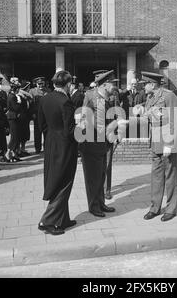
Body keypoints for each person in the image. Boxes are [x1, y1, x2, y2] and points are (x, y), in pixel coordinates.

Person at [37, 70, 78, 236]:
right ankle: (47, 221)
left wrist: (51, 138)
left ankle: (63, 219)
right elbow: (70, 130)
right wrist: (81, 127)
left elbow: (41, 124)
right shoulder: (65, 101)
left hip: (51, 144)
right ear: (68, 84)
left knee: (57, 179)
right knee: (64, 183)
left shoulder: (44, 98)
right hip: (65, 147)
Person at [139, 71, 177, 222]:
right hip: (156, 142)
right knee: (156, 177)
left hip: (169, 142)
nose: (143, 87)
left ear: (152, 84)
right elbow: (149, 116)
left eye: (145, 85)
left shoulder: (170, 96)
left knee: (170, 177)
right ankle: (155, 208)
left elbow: (175, 120)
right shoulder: (150, 97)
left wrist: (169, 144)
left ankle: (171, 209)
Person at [78, 70, 119, 218]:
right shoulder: (90, 96)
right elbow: (83, 118)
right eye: (112, 84)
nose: (114, 87)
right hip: (91, 143)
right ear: (105, 84)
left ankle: (101, 203)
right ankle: (93, 206)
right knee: (92, 178)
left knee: (101, 175)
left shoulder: (108, 97)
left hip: (104, 142)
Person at [29, 77, 50, 154]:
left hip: (46, 115)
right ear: (36, 84)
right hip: (37, 114)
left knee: (46, 132)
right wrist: (32, 113)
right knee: (37, 132)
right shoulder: (32, 91)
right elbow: (30, 104)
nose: (40, 85)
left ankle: (46, 147)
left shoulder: (48, 91)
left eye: (42, 84)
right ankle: (37, 148)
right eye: (39, 84)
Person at [5, 77, 23, 162]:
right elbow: (15, 108)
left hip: (15, 117)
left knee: (17, 136)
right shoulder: (12, 97)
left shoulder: (13, 96)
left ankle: (14, 154)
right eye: (18, 89)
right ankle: (8, 154)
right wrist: (19, 103)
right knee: (14, 136)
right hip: (12, 117)